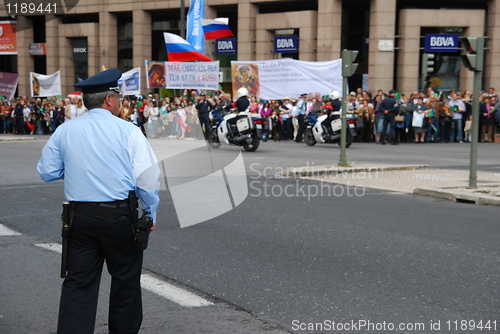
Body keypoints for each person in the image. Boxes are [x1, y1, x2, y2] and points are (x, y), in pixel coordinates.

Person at [37, 68, 160, 334]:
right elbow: (147, 181)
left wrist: (77, 169)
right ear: (109, 99)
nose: (120, 100)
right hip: (119, 217)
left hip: (79, 218)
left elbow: (47, 172)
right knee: (125, 282)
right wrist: (149, 213)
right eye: (118, 95)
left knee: (78, 284)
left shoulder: (65, 130)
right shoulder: (130, 131)